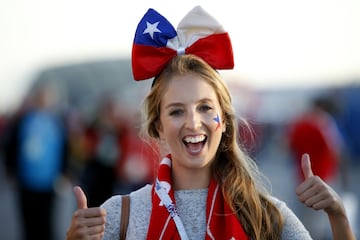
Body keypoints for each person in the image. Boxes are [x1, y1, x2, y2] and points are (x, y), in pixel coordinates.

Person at [66, 6, 355, 240]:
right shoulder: (119, 215)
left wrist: (338, 216)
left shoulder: (265, 214)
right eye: (177, 111)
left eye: (205, 108)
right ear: (157, 126)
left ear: (225, 121)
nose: (193, 123)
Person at [3, 83, 69, 240]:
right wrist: (11, 171)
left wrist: (64, 173)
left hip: (48, 182)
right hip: (26, 181)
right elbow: (11, 146)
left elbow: (65, 148)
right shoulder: (23, 121)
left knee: (46, 222)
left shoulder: (56, 122)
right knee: (29, 223)